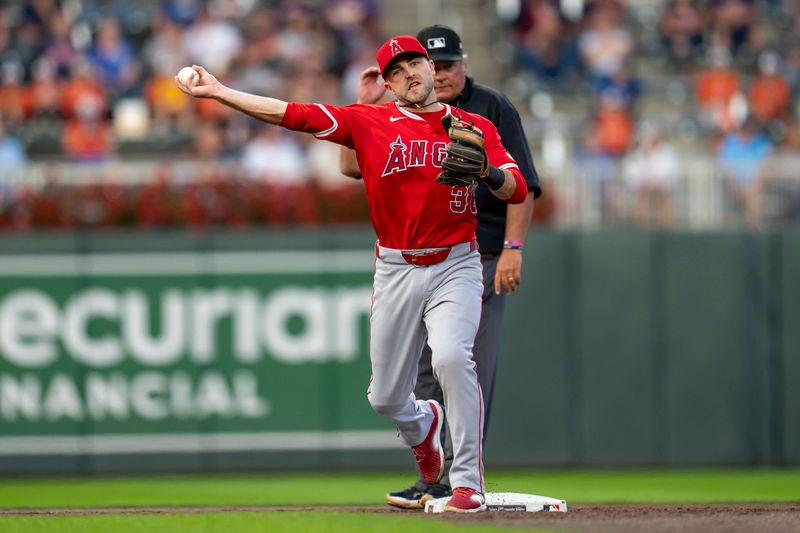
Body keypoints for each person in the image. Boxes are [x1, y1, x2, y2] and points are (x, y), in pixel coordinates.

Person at [175, 34, 528, 512]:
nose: (410, 74)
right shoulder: (368, 121)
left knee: (451, 356)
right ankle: (423, 428)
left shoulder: (473, 124)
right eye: (397, 71)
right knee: (385, 398)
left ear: (428, 64)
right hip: (397, 267)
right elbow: (289, 112)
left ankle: (467, 484)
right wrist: (220, 91)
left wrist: (487, 172)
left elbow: (517, 188)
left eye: (414, 64)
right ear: (388, 83)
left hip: (457, 262)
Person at [339, 25, 540, 509]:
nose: (438, 71)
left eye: (445, 63)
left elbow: (523, 183)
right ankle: (436, 476)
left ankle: (464, 477)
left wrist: (513, 246)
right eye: (431, 63)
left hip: (481, 254)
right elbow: (350, 168)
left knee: (460, 361)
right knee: (419, 381)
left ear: (456, 65)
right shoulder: (395, 113)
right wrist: (366, 108)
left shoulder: (489, 109)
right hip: (412, 260)